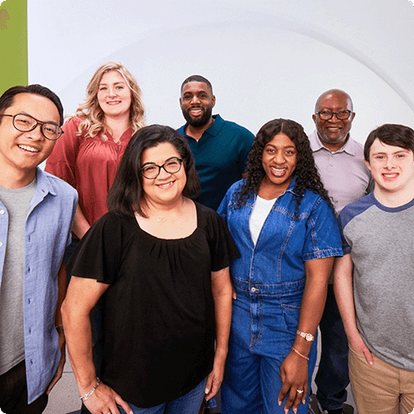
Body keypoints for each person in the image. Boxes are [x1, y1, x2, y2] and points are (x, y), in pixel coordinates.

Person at [61, 125, 238, 414]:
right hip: (131, 389)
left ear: (185, 165)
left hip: (193, 379)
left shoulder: (210, 222)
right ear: (136, 175)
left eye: (171, 163)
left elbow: (221, 291)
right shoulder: (114, 227)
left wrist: (220, 356)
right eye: (150, 168)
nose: (164, 174)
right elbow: (73, 309)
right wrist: (88, 387)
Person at [218, 119, 343, 414]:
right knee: (237, 407)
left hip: (286, 322)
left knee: (284, 408)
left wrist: (301, 350)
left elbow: (317, 281)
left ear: (300, 157)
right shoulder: (237, 193)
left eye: (289, 152)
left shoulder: (313, 206)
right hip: (238, 319)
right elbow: (218, 247)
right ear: (260, 153)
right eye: (271, 150)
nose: (278, 160)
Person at [45, 61, 145, 380]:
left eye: (118, 86)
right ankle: (94, 399)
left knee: (129, 334)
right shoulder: (76, 128)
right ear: (95, 94)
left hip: (136, 250)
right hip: (86, 244)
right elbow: (60, 186)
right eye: (104, 88)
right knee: (91, 332)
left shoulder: (146, 136)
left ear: (131, 92)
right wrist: (89, 236)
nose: (111, 93)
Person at [0, 85, 77, 413]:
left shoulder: (64, 198)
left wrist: (58, 335)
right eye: (23, 121)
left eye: (49, 128)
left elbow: (56, 266)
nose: (35, 135)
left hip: (28, 366)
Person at [334, 124, 414, 414]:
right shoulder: (351, 215)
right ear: (367, 163)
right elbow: (343, 274)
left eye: (400, 155)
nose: (389, 164)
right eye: (380, 157)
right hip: (372, 360)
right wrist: (352, 334)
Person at [308, 89, 371, 414]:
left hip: (345, 273)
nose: (333, 120)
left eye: (341, 113)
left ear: (352, 116)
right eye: (326, 113)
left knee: (337, 344)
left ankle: (332, 403)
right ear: (314, 117)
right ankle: (298, 400)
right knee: (299, 340)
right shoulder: (297, 152)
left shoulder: (367, 157)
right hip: (300, 269)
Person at [178, 75, 254, 210]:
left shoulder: (240, 137)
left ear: (212, 100)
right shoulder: (172, 141)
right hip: (182, 224)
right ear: (181, 102)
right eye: (188, 97)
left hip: (226, 225)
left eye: (202, 96)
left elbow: (254, 187)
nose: (195, 101)